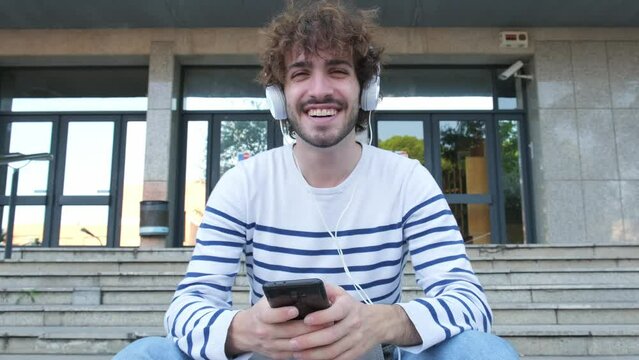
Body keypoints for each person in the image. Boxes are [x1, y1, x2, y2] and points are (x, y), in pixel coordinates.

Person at [114, 1, 519, 359]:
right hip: (273, 357)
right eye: (301, 73)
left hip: (375, 355)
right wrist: (245, 330)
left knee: (482, 351)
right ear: (280, 95)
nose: (319, 90)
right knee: (144, 354)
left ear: (366, 91)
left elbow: (469, 303)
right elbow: (186, 307)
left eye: (338, 71)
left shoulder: (408, 180)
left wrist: (381, 325)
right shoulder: (243, 183)